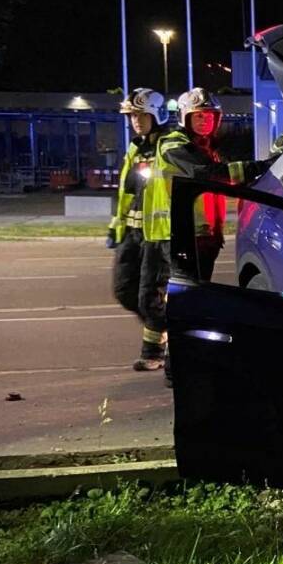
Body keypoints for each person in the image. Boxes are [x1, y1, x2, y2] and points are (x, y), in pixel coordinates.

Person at [155, 88, 271, 284]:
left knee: (199, 290)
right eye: (198, 116)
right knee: (185, 292)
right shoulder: (172, 144)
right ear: (184, 117)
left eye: (210, 116)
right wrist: (260, 167)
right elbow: (209, 173)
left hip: (207, 235)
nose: (205, 120)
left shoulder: (207, 148)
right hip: (182, 235)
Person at [108, 88, 169, 372]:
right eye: (132, 116)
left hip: (157, 235)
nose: (136, 120)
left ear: (157, 115)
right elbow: (126, 192)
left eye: (141, 115)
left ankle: (153, 352)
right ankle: (164, 328)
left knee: (149, 297)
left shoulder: (169, 145)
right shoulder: (135, 148)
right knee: (123, 290)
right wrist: (115, 226)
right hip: (131, 233)